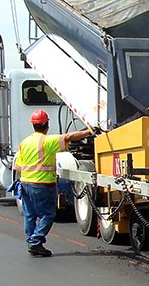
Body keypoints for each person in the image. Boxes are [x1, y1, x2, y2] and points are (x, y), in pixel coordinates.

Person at [13, 109, 92, 257]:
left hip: (25, 184)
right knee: (48, 215)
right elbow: (69, 137)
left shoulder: (25, 142)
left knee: (29, 216)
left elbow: (17, 167)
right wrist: (89, 131)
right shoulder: (48, 141)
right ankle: (35, 242)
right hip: (42, 184)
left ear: (33, 125)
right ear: (47, 125)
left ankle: (32, 242)